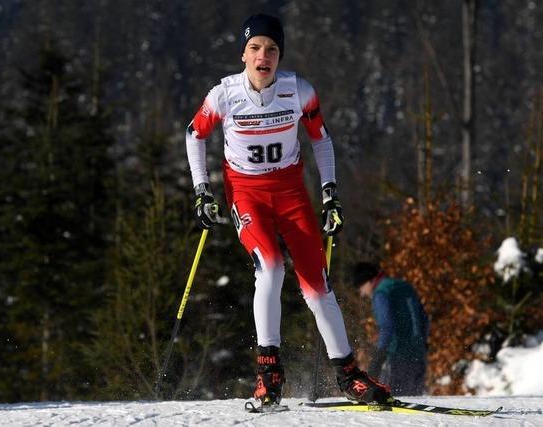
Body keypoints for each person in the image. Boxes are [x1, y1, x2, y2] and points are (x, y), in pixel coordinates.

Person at [184, 13, 394, 407]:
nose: (264, 56)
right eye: (255, 48)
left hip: (291, 192)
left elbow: (322, 140)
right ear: (243, 54)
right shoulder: (224, 95)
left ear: (280, 56)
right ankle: (268, 372)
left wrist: (330, 194)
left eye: (272, 49)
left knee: (317, 286)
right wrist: (202, 191)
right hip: (246, 193)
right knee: (272, 266)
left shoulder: (298, 90)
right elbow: (194, 135)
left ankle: (349, 375)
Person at [351, 262, 429, 396]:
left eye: (361, 287)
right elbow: (424, 319)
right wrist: (422, 343)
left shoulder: (381, 293)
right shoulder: (405, 286)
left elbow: (387, 326)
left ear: (368, 281)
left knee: (395, 404)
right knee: (415, 405)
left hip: (398, 356)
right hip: (418, 353)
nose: (362, 293)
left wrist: (378, 357)